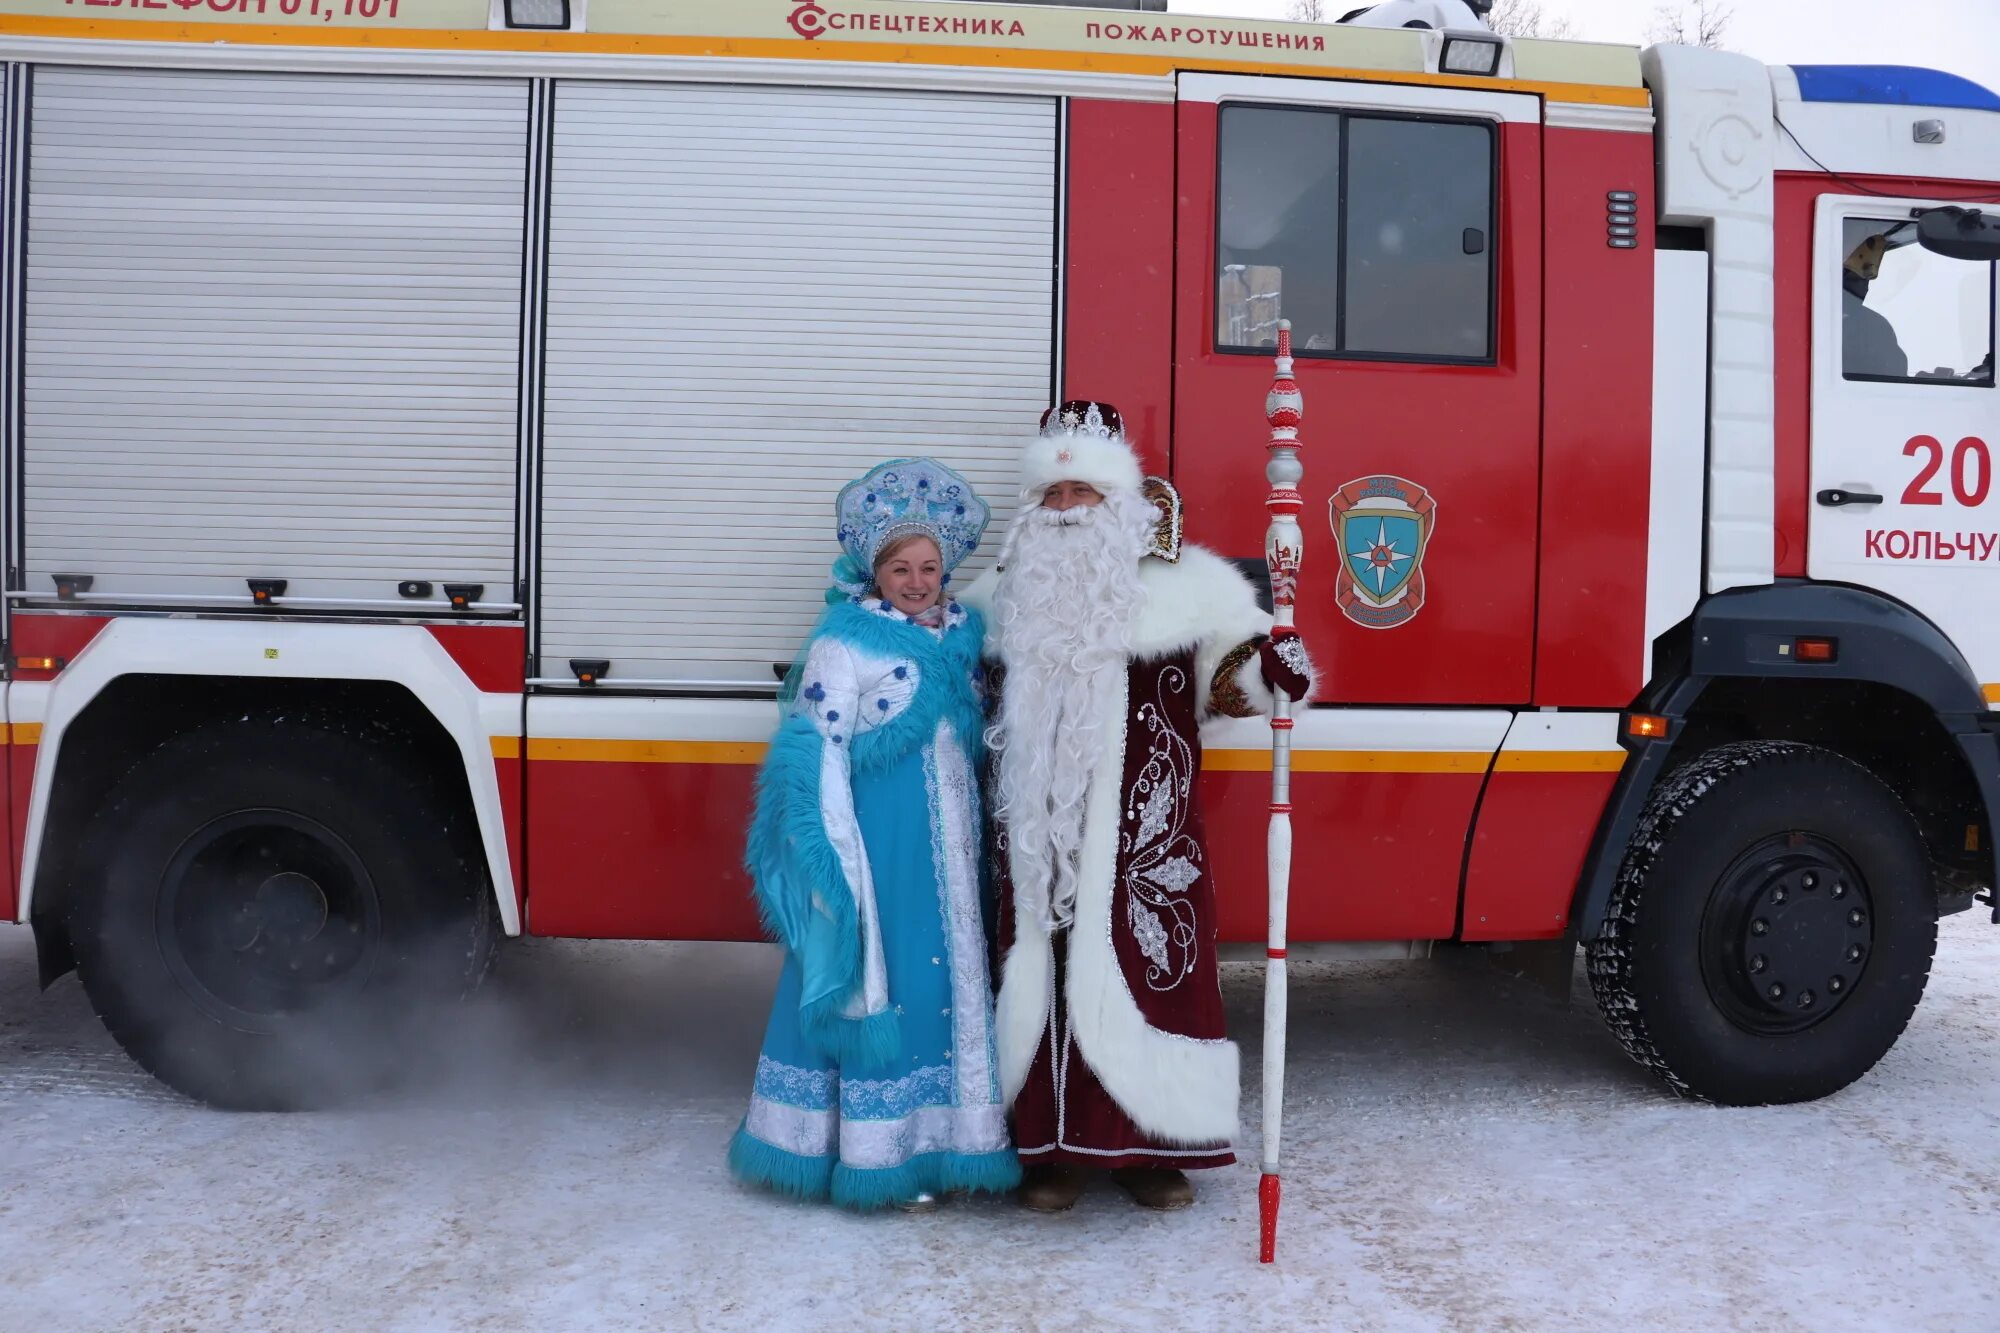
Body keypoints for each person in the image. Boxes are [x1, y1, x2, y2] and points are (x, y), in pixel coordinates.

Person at [959, 403, 1315, 1213]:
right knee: (1038, 979)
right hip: (1036, 839)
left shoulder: (1187, 588)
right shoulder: (1000, 597)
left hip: (1142, 845)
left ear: (1119, 497)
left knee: (1150, 978)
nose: (1066, 510)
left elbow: (1231, 682)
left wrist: (1276, 671)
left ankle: (1149, 1149)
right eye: (1052, 495)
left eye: (1083, 491)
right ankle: (1043, 1150)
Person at [727, 457, 1020, 1211]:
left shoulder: (966, 637)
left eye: (929, 567)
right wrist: (835, 864)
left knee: (947, 988)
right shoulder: (843, 644)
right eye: (901, 567)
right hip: (881, 857)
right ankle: (874, 1152)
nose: (918, 581)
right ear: (875, 571)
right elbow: (813, 756)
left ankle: (946, 1147)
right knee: (887, 981)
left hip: (952, 857)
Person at [1842, 224, 1911, 380]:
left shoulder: (1872, 325)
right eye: (1853, 278)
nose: (1862, 287)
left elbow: (1892, 379)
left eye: (1864, 280)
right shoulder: (1872, 325)